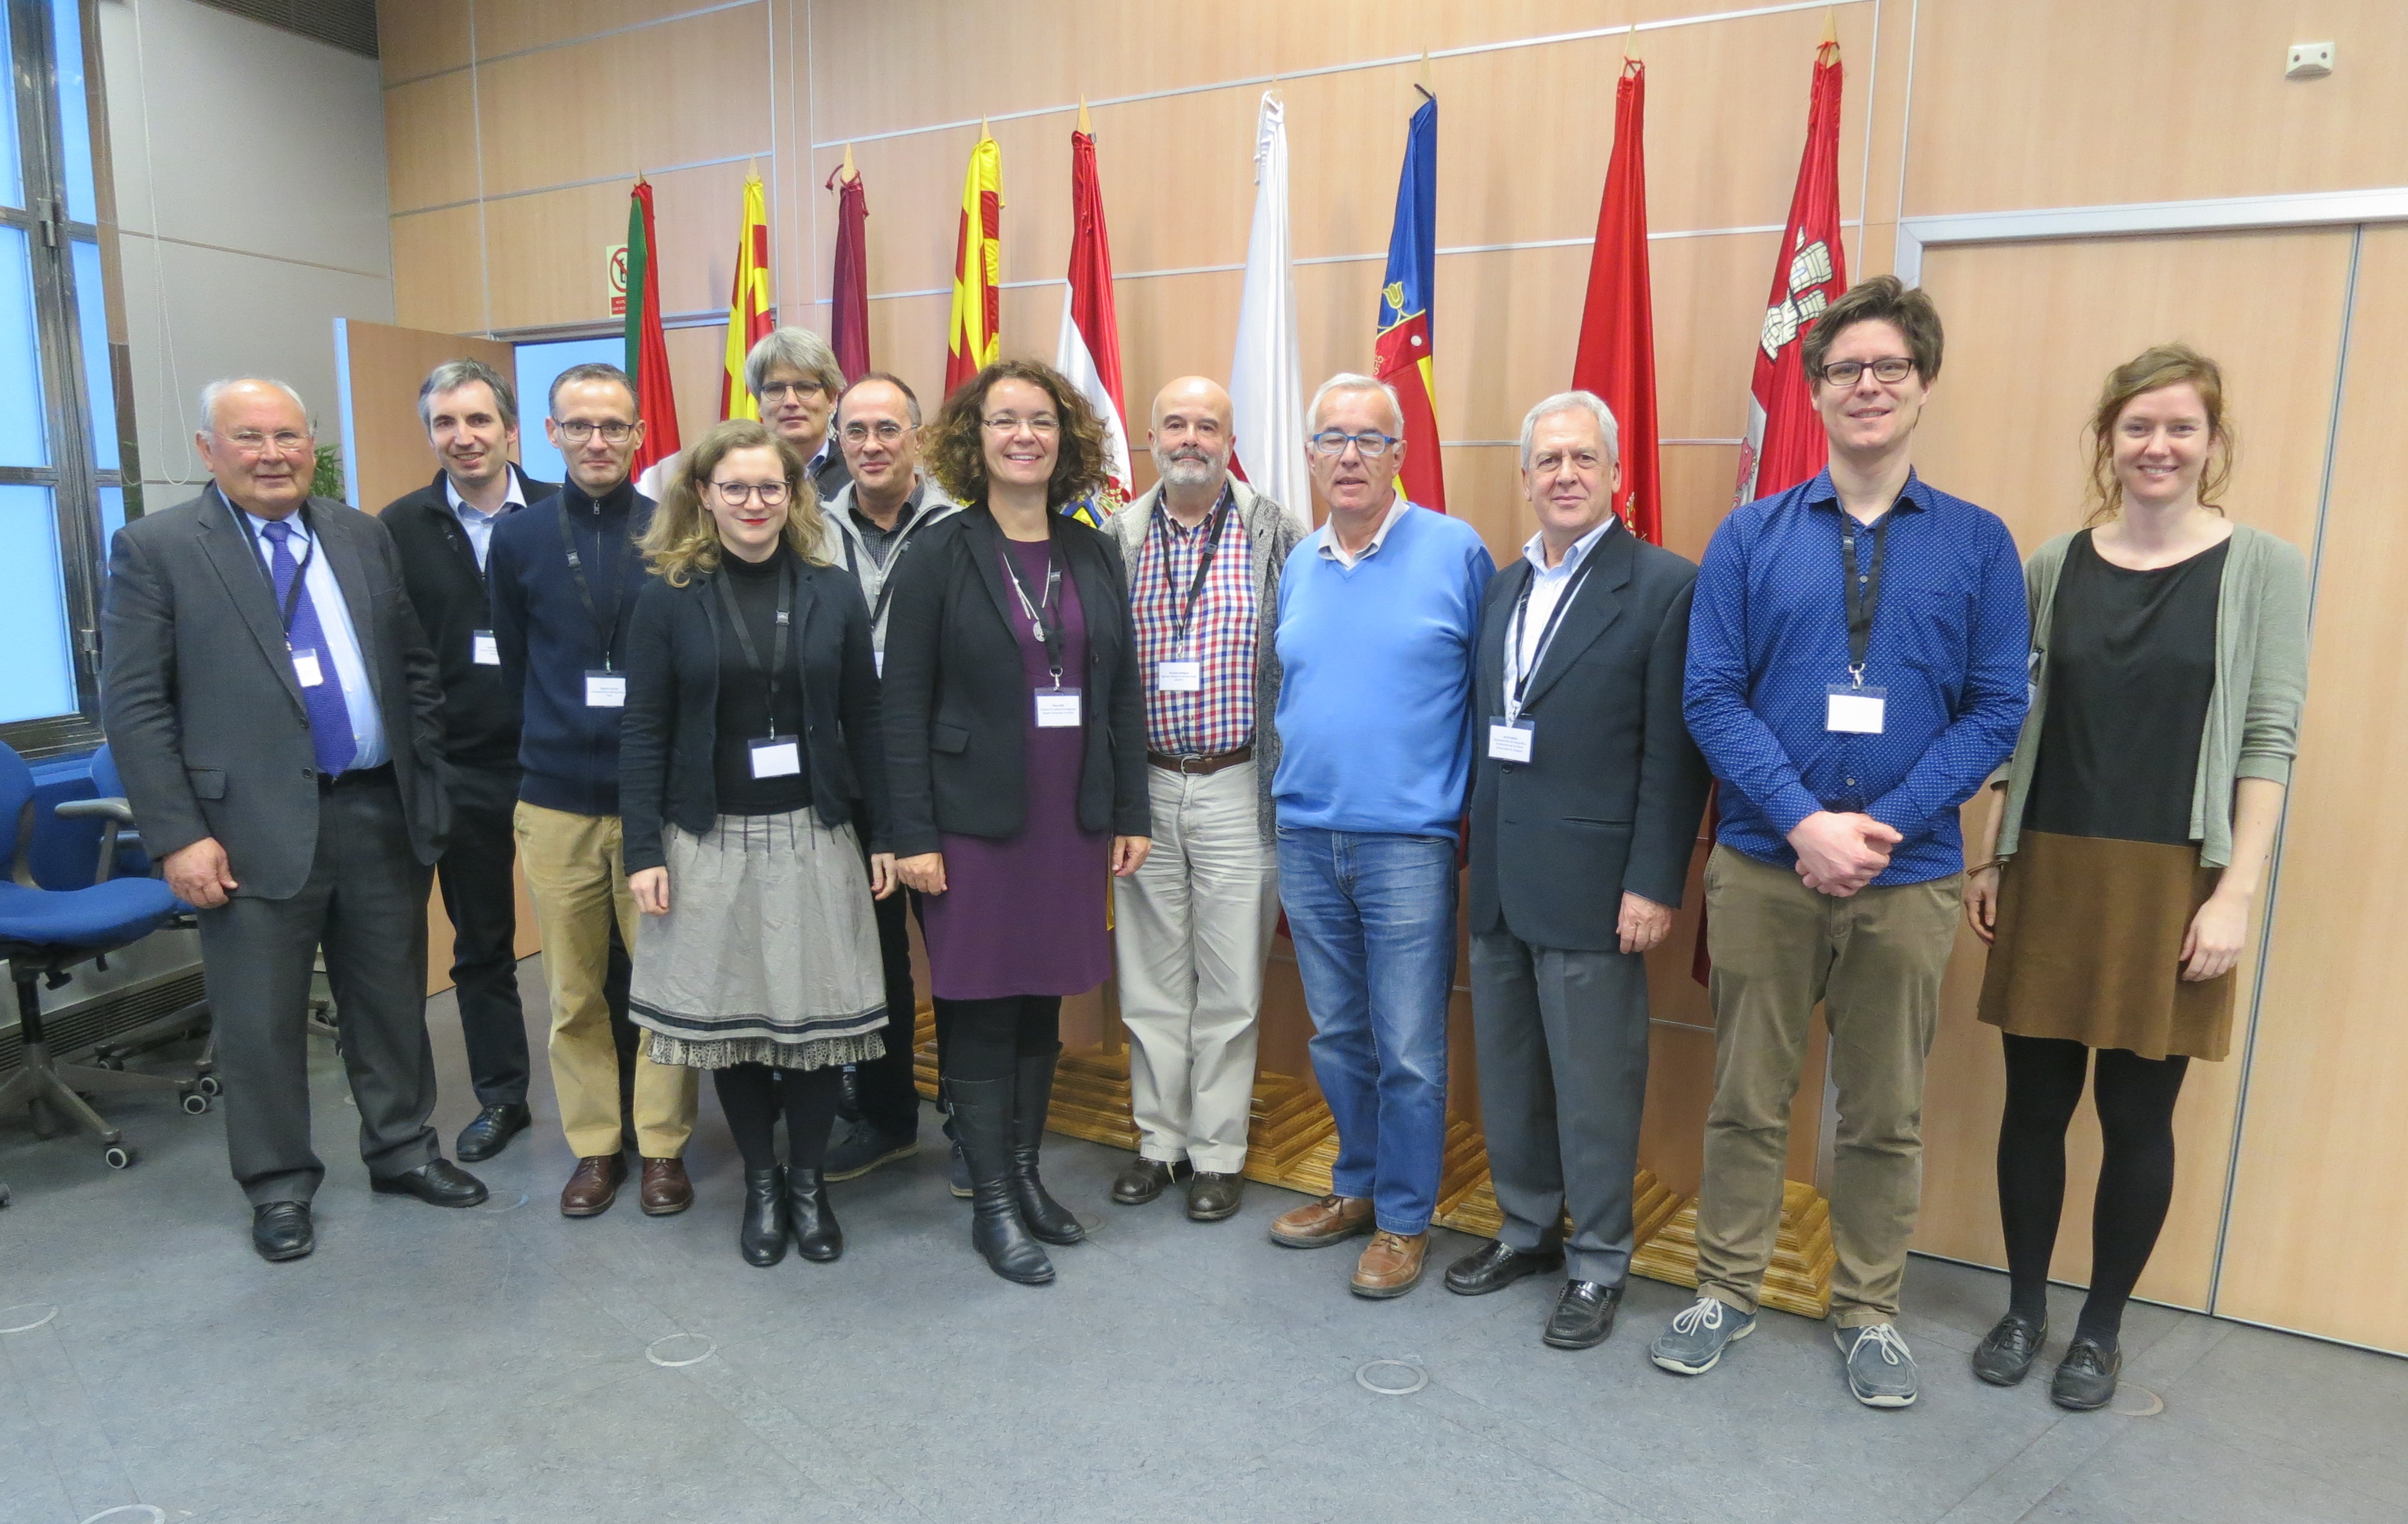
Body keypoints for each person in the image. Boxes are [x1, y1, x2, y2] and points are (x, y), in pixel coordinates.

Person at [1657, 276, 2028, 1408]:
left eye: (1889, 369)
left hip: (1908, 879)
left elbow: (1998, 706)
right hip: (1767, 869)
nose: (1868, 387)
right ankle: (1725, 1285)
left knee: (1885, 1109)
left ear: (1922, 387)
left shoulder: (1976, 542)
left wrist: (1887, 825)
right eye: (1845, 369)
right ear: (1812, 389)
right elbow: (1711, 695)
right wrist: (1806, 822)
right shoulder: (1751, 535)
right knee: (1745, 1096)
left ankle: (1868, 1307)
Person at [1963, 345, 2306, 1411]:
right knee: (2035, 1105)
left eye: (2181, 428)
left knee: (2139, 1117)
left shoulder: (2265, 568)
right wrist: (1994, 848)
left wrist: (2237, 890)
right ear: (2107, 440)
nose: (2158, 446)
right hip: (2053, 860)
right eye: (2137, 428)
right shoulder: (2053, 564)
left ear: (2213, 443)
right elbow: (2016, 716)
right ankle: (2026, 1308)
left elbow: (2267, 737)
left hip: (2176, 878)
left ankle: (2099, 1331)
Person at [101, 378, 486, 1262]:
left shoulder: (356, 534)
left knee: (390, 1003)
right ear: (208, 450)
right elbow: (135, 710)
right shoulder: (157, 548)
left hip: (377, 808)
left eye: (288, 437)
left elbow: (412, 668)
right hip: (244, 833)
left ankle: (401, 1151)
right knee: (261, 1020)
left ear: (311, 446)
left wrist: (424, 778)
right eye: (250, 437)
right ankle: (277, 1185)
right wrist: (176, 836)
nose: (273, 454)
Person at [1448, 392, 1711, 1346]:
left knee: (1595, 1085)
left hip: (1599, 888)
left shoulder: (1662, 586)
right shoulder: (1500, 586)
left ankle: (1598, 1260)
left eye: (1581, 459)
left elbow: (1671, 759)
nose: (1563, 475)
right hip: (1503, 875)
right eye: (1546, 461)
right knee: (1511, 1072)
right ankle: (1525, 1229)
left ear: (1615, 475)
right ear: (1524, 479)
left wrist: (1651, 883)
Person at [881, 358, 1151, 1285]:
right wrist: (909, 833)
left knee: (1042, 1001)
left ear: (1064, 439)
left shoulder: (1090, 550)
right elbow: (900, 704)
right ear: (975, 438)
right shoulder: (936, 554)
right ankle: (990, 1199)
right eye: (1004, 421)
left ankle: (1027, 1177)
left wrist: (1127, 809)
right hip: (970, 824)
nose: (1023, 436)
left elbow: (1118, 693)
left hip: (1066, 819)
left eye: (1040, 420)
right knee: (980, 1006)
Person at [620, 420, 896, 1267]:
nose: (752, 502)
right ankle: (763, 1185)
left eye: (769, 487)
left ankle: (808, 1184)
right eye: (734, 487)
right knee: (734, 1031)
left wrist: (886, 832)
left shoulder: (830, 587)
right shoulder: (667, 595)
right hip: (706, 839)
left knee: (811, 1028)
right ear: (702, 495)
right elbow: (643, 729)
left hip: (816, 834)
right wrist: (642, 850)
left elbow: (867, 720)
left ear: (793, 494)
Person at [1266, 373, 1495, 1299]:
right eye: (1332, 439)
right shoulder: (1298, 562)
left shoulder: (1454, 551)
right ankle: (1353, 1190)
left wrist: (1462, 821)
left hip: (1407, 843)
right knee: (1337, 1035)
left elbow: (1492, 698)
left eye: (1369, 439)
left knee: (1406, 1046)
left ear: (1400, 456)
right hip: (1305, 833)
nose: (1349, 455)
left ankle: (1404, 1219)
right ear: (1311, 456)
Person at [489, 362, 700, 1218]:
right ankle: (594, 1148)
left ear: (639, 434)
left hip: (657, 807)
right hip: (556, 803)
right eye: (578, 426)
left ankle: (661, 1148)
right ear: (547, 434)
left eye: (613, 426)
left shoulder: (677, 529)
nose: (597, 442)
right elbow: (513, 660)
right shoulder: (520, 537)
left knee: (661, 990)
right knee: (574, 993)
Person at [1102, 376, 1306, 1221]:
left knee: (1228, 982)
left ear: (1229, 439)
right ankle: (1159, 1142)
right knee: (1149, 980)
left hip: (1235, 785)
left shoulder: (1277, 536)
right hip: (1144, 785)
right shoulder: (1116, 536)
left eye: (1207, 425)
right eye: (1175, 422)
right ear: (1151, 437)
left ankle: (1218, 1151)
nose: (1190, 437)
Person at [379, 358, 555, 1163]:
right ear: (430, 435)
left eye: (478, 420)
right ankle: (501, 1098)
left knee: (605, 946)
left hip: (564, 766)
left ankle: (626, 1101)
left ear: (510, 430)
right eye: (445, 423)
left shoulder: (563, 514)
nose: (463, 437)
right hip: (465, 770)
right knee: (481, 946)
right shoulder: (395, 529)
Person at [813, 371, 963, 1188]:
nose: (870, 446)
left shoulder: (963, 526)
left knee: (963, 953)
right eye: (855, 432)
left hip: (946, 775)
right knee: (869, 961)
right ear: (837, 441)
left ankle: (975, 1124)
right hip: (846, 779)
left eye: (886, 430)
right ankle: (885, 1117)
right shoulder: (807, 526)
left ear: (918, 438)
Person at [637, 327, 850, 506]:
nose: (791, 401)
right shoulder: (725, 479)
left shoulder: (857, 475)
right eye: (775, 389)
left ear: (831, 399)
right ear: (759, 402)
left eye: (805, 387)